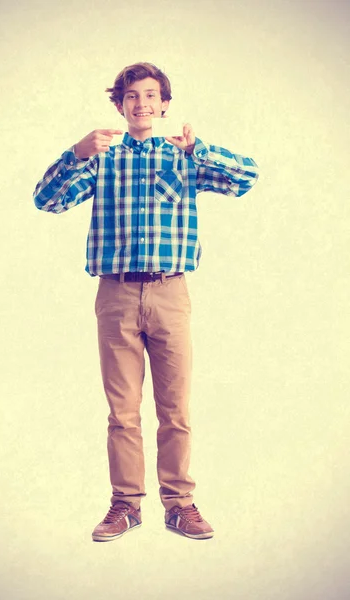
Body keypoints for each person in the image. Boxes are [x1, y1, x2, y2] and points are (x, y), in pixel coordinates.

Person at [33, 62, 259, 542]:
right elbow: (46, 201)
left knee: (175, 408)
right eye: (132, 96)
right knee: (123, 411)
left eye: (151, 95)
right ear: (119, 104)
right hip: (115, 294)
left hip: (170, 291)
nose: (142, 104)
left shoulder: (183, 157)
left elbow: (246, 179)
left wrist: (202, 149)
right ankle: (125, 506)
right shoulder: (101, 158)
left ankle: (180, 506)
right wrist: (75, 152)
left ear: (164, 104)